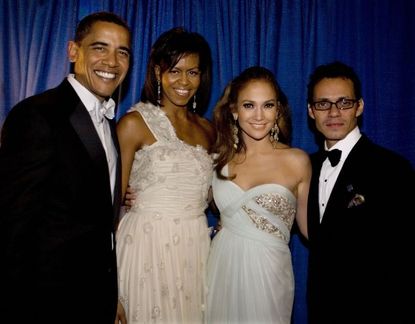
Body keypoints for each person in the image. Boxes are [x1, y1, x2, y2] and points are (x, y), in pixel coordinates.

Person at [0, 12, 131, 324]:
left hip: (94, 296)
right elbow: (12, 226)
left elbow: (96, 217)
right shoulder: (37, 115)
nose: (112, 62)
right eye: (100, 48)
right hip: (47, 302)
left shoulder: (108, 120)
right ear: (74, 51)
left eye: (122, 52)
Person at [115, 27, 215, 323]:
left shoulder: (209, 129)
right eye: (175, 70)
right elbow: (106, 208)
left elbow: (214, 197)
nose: (184, 82)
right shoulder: (134, 123)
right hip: (146, 246)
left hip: (195, 247)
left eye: (193, 72)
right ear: (158, 72)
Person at [306, 61, 414, 324]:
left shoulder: (392, 168)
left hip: (376, 310)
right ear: (311, 111)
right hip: (321, 310)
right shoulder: (306, 168)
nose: (333, 112)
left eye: (344, 102)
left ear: (360, 106)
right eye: (323, 103)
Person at [205, 66, 311, 324]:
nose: (259, 116)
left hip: (270, 274)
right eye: (249, 105)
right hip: (222, 269)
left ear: (278, 111)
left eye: (268, 105)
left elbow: (311, 230)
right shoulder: (216, 161)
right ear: (234, 110)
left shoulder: (297, 161)